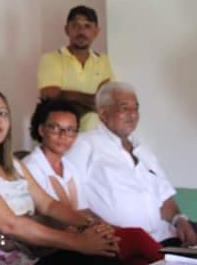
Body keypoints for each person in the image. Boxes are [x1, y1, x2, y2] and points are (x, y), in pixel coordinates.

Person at [0, 87, 121, 265]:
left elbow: (48, 204)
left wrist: (92, 225)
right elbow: (10, 224)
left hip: (32, 256)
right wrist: (78, 242)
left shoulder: (13, 163)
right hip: (2, 261)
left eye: (3, 113)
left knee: (105, 252)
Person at [24, 99, 164, 265]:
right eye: (55, 128)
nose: (63, 135)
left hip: (81, 238)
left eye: (70, 130)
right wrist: (91, 230)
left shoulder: (70, 166)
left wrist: (108, 229)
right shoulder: (29, 167)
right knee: (135, 238)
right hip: (52, 247)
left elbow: (84, 211)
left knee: (136, 257)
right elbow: (40, 217)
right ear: (41, 129)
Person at [66, 81, 197, 247]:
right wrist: (108, 231)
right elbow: (69, 200)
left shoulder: (143, 149)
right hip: (122, 242)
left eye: (136, 108)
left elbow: (165, 199)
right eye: (124, 108)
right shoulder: (84, 144)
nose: (133, 114)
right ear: (103, 113)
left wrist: (180, 220)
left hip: (165, 236)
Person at [37, 5, 115, 131]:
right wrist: (93, 101)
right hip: (61, 133)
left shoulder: (102, 60)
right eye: (75, 26)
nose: (81, 31)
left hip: (95, 135)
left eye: (87, 26)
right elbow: (51, 97)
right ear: (67, 29)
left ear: (96, 32)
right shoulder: (51, 58)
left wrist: (69, 96)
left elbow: (107, 101)